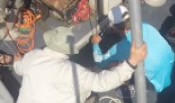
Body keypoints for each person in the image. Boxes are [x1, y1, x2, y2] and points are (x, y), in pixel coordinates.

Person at [13, 26, 147, 103]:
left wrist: (17, 60)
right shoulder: (70, 71)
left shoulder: (32, 56)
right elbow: (101, 83)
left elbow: (18, 68)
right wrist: (131, 63)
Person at [91, 5, 174, 94]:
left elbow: (99, 62)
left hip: (155, 83)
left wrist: (95, 43)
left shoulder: (120, 47)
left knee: (114, 63)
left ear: (114, 27)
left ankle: (136, 86)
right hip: (170, 62)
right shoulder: (145, 25)